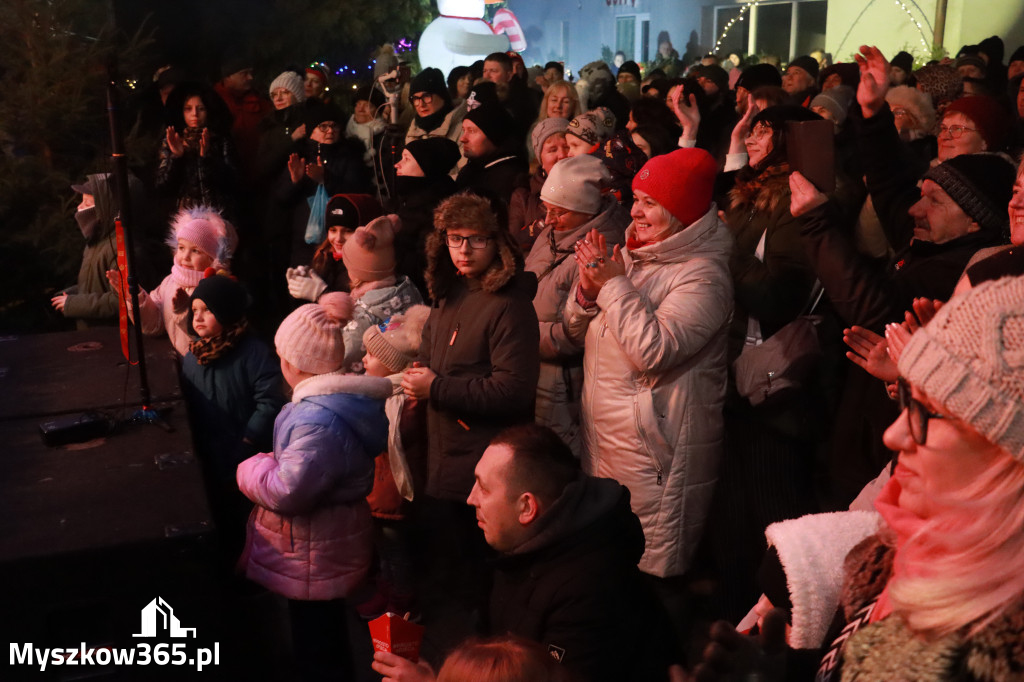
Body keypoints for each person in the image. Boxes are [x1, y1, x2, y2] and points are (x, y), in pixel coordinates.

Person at [695, 274, 1024, 681]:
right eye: (905, 399)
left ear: (1008, 457)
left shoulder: (989, 658)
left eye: (928, 412)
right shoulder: (905, 554)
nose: (894, 434)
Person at [565, 149, 733, 642]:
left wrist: (613, 286)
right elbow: (581, 334)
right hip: (609, 448)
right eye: (636, 199)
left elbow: (653, 351)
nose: (634, 212)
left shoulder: (703, 275)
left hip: (657, 457)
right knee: (617, 580)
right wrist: (586, 293)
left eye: (649, 203)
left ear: (681, 212)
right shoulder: (639, 257)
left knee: (657, 590)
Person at [373, 424, 684, 682]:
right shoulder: (524, 546)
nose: (470, 499)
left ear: (526, 507)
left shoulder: (589, 591)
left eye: (483, 487)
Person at [237, 292, 391, 682]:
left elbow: (288, 490)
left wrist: (252, 467)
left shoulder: (316, 421)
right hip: (324, 545)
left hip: (313, 551)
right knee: (325, 632)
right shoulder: (327, 408)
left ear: (295, 364)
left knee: (316, 643)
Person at [526, 155, 629, 456]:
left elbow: (574, 336)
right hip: (535, 370)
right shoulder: (553, 234)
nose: (548, 220)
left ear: (586, 212)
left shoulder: (601, 251)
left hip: (564, 385)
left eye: (559, 212)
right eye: (547, 209)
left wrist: (516, 332)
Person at [180, 273, 284, 557]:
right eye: (195, 310)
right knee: (219, 514)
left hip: (248, 452)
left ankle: (257, 570)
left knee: (250, 518)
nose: (198, 317)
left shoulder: (253, 353)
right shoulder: (194, 355)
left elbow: (270, 401)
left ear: (226, 311)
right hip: (210, 450)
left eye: (208, 310)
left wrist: (250, 439)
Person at [357, 305, 431, 619]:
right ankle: (386, 592)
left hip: (393, 494)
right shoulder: (382, 392)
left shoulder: (404, 400)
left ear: (389, 365)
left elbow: (397, 438)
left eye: (370, 356)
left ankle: (404, 603)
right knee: (383, 550)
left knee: (395, 552)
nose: (363, 360)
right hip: (377, 490)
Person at [110, 205, 238, 356]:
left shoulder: (217, 288)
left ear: (212, 258)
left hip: (209, 365)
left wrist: (184, 310)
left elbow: (211, 336)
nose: (185, 256)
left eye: (195, 251)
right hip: (181, 365)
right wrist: (136, 297)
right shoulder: (170, 282)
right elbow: (154, 325)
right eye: (182, 248)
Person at [53, 173, 148, 329]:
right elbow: (98, 285)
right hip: (93, 338)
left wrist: (74, 304)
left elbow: (123, 300)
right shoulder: (97, 242)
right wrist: (71, 295)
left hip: (112, 341)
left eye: (87, 203)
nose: (79, 208)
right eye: (81, 202)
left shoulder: (122, 249)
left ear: (108, 210)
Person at [336, 214, 424, 373]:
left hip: (368, 391)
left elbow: (340, 364)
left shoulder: (363, 316)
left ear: (357, 274)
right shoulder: (408, 289)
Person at [156, 82, 238, 217]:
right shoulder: (173, 140)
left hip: (218, 214)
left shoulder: (220, 140)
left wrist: (206, 157)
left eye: (201, 109)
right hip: (184, 218)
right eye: (188, 109)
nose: (194, 114)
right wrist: (177, 157)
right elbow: (162, 187)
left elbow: (233, 182)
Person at [285, 193, 383, 301]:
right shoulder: (324, 257)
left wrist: (322, 294)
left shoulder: (373, 270)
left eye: (348, 231)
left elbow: (362, 313)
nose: (338, 239)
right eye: (333, 230)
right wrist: (301, 285)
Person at [508, 117, 569, 252]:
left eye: (567, 147)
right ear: (540, 157)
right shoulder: (524, 195)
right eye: (552, 150)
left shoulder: (591, 189)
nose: (562, 155)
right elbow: (513, 246)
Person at [455, 96, 529, 209]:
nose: (463, 138)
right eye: (464, 130)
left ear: (494, 135)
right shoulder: (473, 169)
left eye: (471, 131)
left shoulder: (510, 178)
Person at [405, 67, 464, 145]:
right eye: (416, 98)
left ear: (442, 95)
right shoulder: (413, 130)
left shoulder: (464, 128)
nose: (421, 104)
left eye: (426, 96)